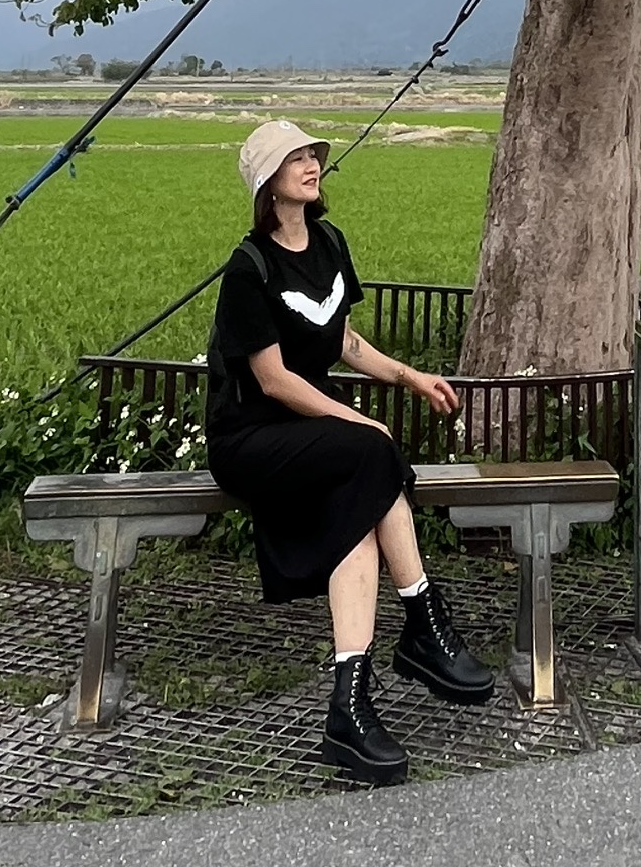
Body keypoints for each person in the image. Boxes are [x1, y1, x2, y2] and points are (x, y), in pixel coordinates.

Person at [205, 120, 495, 785]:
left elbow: (341, 342)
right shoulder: (248, 267)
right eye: (295, 158)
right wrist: (357, 421)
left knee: (355, 531)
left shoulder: (329, 243)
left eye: (312, 155)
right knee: (372, 452)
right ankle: (424, 622)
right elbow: (274, 380)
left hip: (312, 440)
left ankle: (349, 710)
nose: (311, 165)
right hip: (250, 436)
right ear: (267, 184)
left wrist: (408, 377)